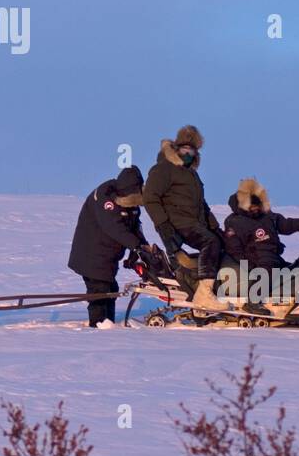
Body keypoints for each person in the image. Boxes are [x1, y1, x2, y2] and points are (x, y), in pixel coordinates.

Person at [68, 166, 150, 328]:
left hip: (108, 257)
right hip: (91, 254)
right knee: (100, 290)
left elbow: (134, 226)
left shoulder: (130, 202)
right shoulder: (105, 199)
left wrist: (142, 247)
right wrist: (136, 245)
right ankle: (98, 326)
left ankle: (108, 324)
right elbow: (115, 228)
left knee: (110, 288)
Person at [142, 126, 224, 289]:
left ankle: (220, 285)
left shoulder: (191, 173)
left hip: (193, 223)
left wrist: (215, 227)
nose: (187, 153)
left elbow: (201, 204)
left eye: (191, 150)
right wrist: (162, 223)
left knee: (222, 244)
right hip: (178, 223)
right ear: (176, 148)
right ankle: (205, 292)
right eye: (184, 148)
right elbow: (150, 197)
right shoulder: (164, 168)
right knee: (211, 242)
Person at [221, 178, 299, 271]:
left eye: (257, 206)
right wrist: (249, 268)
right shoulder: (235, 222)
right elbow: (234, 249)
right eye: (252, 206)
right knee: (273, 285)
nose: (256, 209)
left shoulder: (266, 216)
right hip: (258, 265)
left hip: (275, 260)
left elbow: (285, 224)